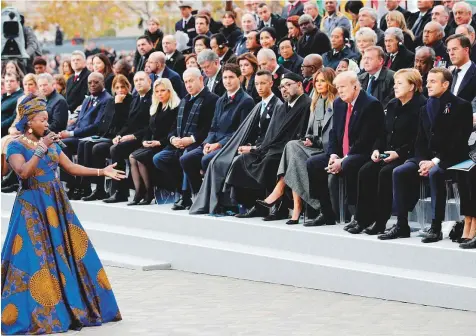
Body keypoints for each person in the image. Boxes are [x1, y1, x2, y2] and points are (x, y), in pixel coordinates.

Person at [1, 95, 123, 334]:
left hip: (57, 203)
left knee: (73, 253)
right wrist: (41, 148)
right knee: (34, 258)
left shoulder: (51, 142)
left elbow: (70, 167)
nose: (47, 124)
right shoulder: (15, 145)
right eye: (41, 120)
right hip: (32, 205)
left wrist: (101, 171)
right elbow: (24, 173)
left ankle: (73, 305)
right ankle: (40, 310)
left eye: (47, 119)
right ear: (28, 121)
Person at [381, 67, 473, 243]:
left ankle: (436, 227)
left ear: (445, 84)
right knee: (399, 171)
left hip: (453, 158)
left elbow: (459, 142)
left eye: (433, 81)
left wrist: (434, 161)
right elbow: (420, 141)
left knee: (435, 172)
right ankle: (401, 225)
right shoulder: (425, 107)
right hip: (426, 158)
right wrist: (422, 160)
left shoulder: (462, 106)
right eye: (428, 80)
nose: (428, 85)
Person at [190, 69, 283, 215]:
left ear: (271, 83)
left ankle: (244, 204)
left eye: (263, 83)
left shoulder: (277, 105)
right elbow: (246, 131)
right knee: (217, 161)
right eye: (257, 83)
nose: (259, 87)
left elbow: (272, 136)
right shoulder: (260, 104)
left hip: (265, 150)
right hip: (254, 147)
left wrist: (252, 148)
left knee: (233, 161)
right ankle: (226, 203)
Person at [348, 69, 426, 235]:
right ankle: (362, 219)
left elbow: (419, 139)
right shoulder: (392, 104)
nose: (395, 87)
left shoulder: (422, 106)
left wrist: (398, 153)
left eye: (400, 83)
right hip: (387, 153)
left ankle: (381, 222)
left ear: (412, 86)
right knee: (366, 170)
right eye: (395, 83)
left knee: (385, 173)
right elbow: (382, 133)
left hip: (408, 155)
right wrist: (376, 149)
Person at [256, 67, 337, 224]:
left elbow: (334, 134)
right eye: (317, 81)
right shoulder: (318, 102)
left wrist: (315, 141)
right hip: (316, 146)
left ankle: (286, 197)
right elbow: (312, 132)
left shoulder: (336, 103)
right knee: (292, 147)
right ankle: (296, 205)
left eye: (323, 81)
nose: (319, 84)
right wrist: (310, 139)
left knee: (291, 150)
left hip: (329, 149)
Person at [226, 72, 311, 219]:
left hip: (289, 149)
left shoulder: (306, 104)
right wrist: (255, 149)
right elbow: (271, 135)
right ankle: (255, 205)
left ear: (299, 85)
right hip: (272, 148)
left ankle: (280, 208)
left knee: (270, 161)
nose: (284, 89)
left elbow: (301, 134)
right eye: (282, 86)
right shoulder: (282, 107)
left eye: (288, 85)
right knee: (242, 160)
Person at [306, 71, 384, 227]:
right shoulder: (338, 103)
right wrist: (334, 155)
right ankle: (326, 212)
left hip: (363, 153)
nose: (339, 90)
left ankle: (357, 215)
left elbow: (365, 140)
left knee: (349, 164)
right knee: (313, 163)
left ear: (355, 86)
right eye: (337, 87)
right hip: (342, 153)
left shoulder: (370, 104)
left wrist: (343, 160)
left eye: (342, 87)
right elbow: (334, 133)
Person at [180, 63, 254, 198]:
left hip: (231, 145)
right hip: (214, 143)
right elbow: (213, 127)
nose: (227, 81)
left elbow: (241, 132)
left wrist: (218, 145)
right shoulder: (220, 100)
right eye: (225, 78)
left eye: (231, 77)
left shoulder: (246, 101)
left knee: (206, 160)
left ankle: (214, 197)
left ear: (240, 78)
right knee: (186, 159)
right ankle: (198, 195)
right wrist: (207, 143)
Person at [153, 68, 218, 211]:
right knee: (158, 158)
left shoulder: (212, 99)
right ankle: (179, 188)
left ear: (201, 79)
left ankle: (186, 195)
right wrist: (173, 139)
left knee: (186, 155)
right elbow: (174, 127)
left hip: (198, 144)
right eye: (186, 82)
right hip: (179, 144)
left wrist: (191, 139)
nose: (188, 85)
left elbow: (208, 128)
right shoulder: (184, 100)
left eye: (191, 81)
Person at [80, 75, 132, 202]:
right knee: (87, 144)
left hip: (123, 136)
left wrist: (119, 105)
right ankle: (96, 189)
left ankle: (118, 191)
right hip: (109, 136)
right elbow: (107, 123)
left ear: (128, 87)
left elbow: (123, 123)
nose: (120, 90)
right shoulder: (111, 101)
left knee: (98, 148)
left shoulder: (131, 100)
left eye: (123, 87)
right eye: (117, 87)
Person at [128, 78, 180, 206]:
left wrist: (159, 143)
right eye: (157, 91)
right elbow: (149, 129)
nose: (160, 94)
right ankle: (140, 191)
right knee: (132, 156)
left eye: (163, 91)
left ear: (170, 91)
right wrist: (145, 141)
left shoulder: (175, 107)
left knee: (139, 157)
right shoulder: (156, 106)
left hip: (166, 144)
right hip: (153, 143)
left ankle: (149, 192)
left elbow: (173, 131)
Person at [102, 72, 153, 203]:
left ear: (149, 81)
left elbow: (151, 125)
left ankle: (121, 191)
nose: (139, 82)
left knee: (116, 149)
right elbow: (128, 123)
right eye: (136, 80)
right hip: (133, 137)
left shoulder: (153, 97)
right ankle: (119, 191)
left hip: (145, 137)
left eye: (142, 79)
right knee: (115, 147)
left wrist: (133, 136)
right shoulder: (136, 98)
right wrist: (120, 135)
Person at [60, 73, 112, 199]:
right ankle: (72, 183)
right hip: (78, 135)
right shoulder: (87, 99)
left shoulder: (107, 99)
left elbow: (97, 126)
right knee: (60, 144)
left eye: (96, 82)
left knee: (82, 144)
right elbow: (78, 121)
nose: (92, 85)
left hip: (92, 136)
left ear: (103, 83)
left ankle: (84, 185)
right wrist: (65, 132)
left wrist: (71, 133)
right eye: (90, 83)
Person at [447, 34, 476, 113]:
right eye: (449, 50)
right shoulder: (448, 74)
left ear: (466, 50)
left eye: (455, 49)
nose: (451, 53)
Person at [1, 72, 24, 137]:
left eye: (12, 81)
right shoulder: (5, 96)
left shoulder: (20, 97)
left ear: (18, 82)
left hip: (7, 133)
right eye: (6, 81)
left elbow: (14, 117)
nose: (8, 83)